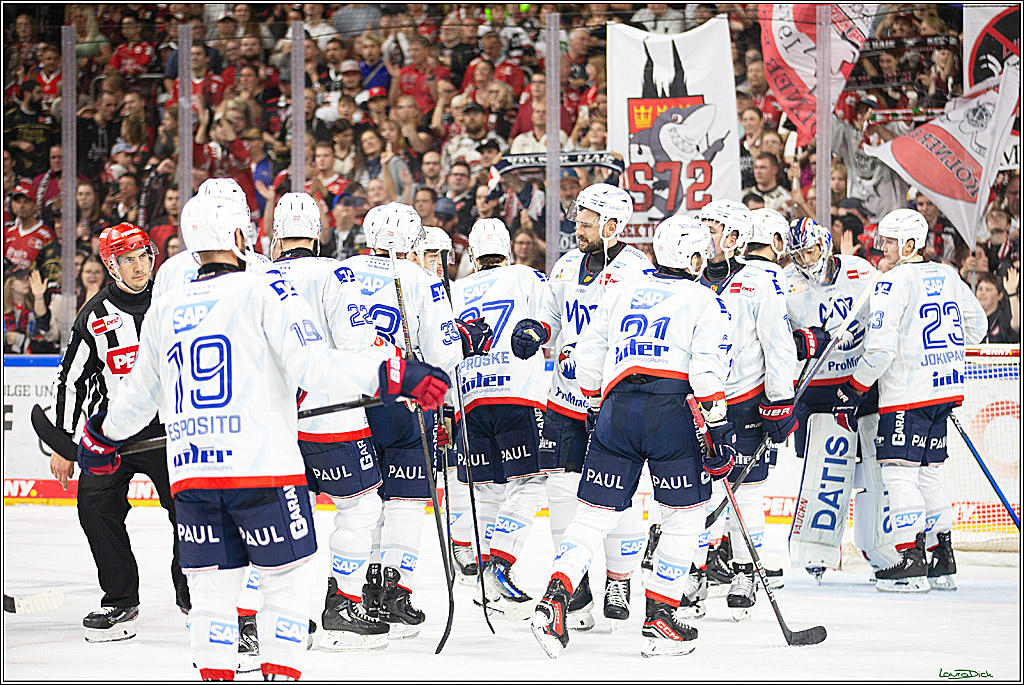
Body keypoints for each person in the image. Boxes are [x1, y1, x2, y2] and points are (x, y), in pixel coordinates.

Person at [74, 193, 449, 679]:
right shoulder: (267, 290)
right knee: (284, 589)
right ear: (240, 236)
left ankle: (222, 664)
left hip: (192, 475)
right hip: (262, 468)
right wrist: (395, 374)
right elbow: (316, 366)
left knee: (212, 598)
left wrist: (100, 438)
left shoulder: (165, 307)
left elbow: (138, 398)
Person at [530, 215, 735, 658]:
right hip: (671, 412)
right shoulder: (705, 299)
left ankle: (555, 601)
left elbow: (588, 355)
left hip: (616, 408)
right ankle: (660, 618)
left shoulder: (622, 288)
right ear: (693, 258)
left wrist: (593, 404)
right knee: (683, 517)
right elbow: (706, 371)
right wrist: (719, 427)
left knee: (592, 515)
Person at [518, 184, 654, 630]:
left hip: (611, 398)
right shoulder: (564, 265)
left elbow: (639, 332)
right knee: (560, 492)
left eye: (587, 222)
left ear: (613, 226)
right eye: (578, 220)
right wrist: (536, 331)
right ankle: (575, 588)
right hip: (563, 397)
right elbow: (552, 316)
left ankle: (619, 578)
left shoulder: (637, 271)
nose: (578, 229)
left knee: (617, 492)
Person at [47, 223, 190, 642]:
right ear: (112, 266)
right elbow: (71, 381)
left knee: (191, 514)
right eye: (129, 259)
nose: (140, 266)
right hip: (114, 434)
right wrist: (64, 443)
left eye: (144, 255)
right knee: (95, 509)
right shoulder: (94, 316)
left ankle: (194, 598)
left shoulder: (175, 302)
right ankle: (120, 599)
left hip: (172, 433)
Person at [833, 209, 987, 593]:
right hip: (943, 391)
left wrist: (854, 387)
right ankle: (941, 558)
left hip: (906, 395)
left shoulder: (891, 282)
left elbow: (880, 349)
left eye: (888, 241)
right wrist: (943, 358)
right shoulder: (948, 274)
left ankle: (910, 561)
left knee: (899, 474)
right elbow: (977, 326)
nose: (881, 247)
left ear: (909, 244)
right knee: (929, 474)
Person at [267, 192, 392, 650]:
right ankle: (342, 607)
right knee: (360, 509)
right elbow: (358, 345)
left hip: (274, 422)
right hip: (332, 417)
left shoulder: (257, 277)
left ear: (276, 234)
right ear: (317, 233)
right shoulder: (335, 273)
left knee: (283, 517)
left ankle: (283, 617)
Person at [338, 203, 464, 638]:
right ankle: (395, 591)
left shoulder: (342, 272)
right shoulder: (421, 279)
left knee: (365, 500)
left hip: (351, 401)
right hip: (402, 401)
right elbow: (445, 354)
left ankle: (364, 591)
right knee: (406, 500)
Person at [694, 199, 797, 619]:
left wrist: (780, 399)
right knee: (696, 493)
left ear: (735, 238)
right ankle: (695, 571)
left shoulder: (759, 281)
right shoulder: (690, 278)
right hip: (698, 403)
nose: (704, 235)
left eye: (713, 228)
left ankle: (744, 571)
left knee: (746, 491)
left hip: (744, 401)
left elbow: (779, 345)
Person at [783, 217, 896, 582]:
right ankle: (816, 549)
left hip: (862, 385)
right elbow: (781, 338)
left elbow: (884, 320)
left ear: (825, 245)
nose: (805, 260)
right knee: (825, 470)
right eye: (797, 254)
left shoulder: (861, 272)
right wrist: (806, 341)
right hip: (818, 389)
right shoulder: (787, 282)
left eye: (810, 251)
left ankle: (882, 549)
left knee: (874, 470)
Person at [449, 219, 551, 618]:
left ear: (473, 256)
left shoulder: (455, 291)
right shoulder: (526, 276)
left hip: (470, 399)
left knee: (486, 490)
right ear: (507, 251)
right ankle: (500, 566)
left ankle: (481, 573)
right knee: (530, 484)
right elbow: (550, 322)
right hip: (517, 394)